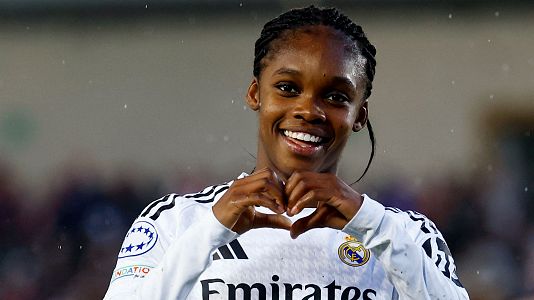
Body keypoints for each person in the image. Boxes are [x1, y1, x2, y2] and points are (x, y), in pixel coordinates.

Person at [104, 6, 469, 300]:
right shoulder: (176, 221)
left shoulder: (406, 234)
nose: (310, 111)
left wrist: (371, 223)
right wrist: (212, 231)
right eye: (288, 87)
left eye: (337, 97)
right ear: (255, 94)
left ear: (360, 115)